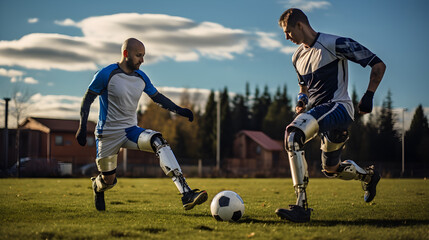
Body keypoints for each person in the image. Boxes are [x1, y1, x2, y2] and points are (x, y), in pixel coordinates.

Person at [275, 8, 386, 222]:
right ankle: (369, 176)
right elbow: (304, 89)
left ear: (300, 25)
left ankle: (301, 206)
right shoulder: (297, 56)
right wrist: (301, 101)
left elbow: (378, 64)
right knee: (331, 169)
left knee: (292, 134)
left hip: (338, 108)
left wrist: (369, 95)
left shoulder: (336, 44)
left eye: (288, 31)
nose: (286, 37)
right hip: (321, 116)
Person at [75, 38, 208, 211]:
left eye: (143, 56)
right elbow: (88, 99)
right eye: (139, 55)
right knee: (108, 180)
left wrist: (179, 110)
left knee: (158, 141)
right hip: (107, 135)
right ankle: (97, 186)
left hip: (131, 131)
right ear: (125, 54)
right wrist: (82, 126)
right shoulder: (106, 74)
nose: (142, 60)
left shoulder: (141, 77)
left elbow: (157, 98)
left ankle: (186, 193)